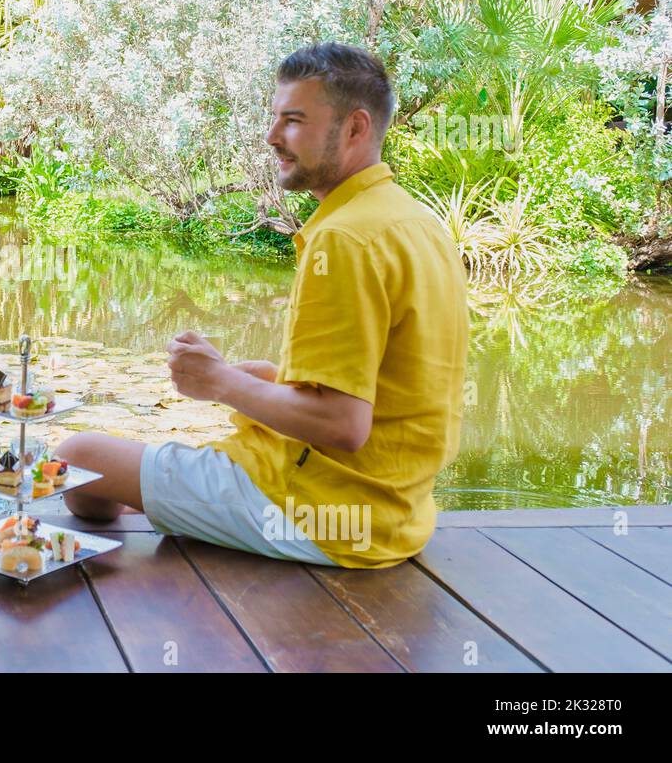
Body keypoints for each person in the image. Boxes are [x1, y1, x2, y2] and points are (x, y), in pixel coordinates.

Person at [56, 43, 469, 568]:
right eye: (275, 118)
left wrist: (219, 384)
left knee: (76, 460)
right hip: (398, 512)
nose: (273, 136)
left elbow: (344, 427)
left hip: (322, 513)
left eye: (293, 121)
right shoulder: (415, 222)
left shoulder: (345, 238)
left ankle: (178, 545)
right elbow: (393, 396)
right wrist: (270, 380)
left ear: (355, 129)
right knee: (128, 460)